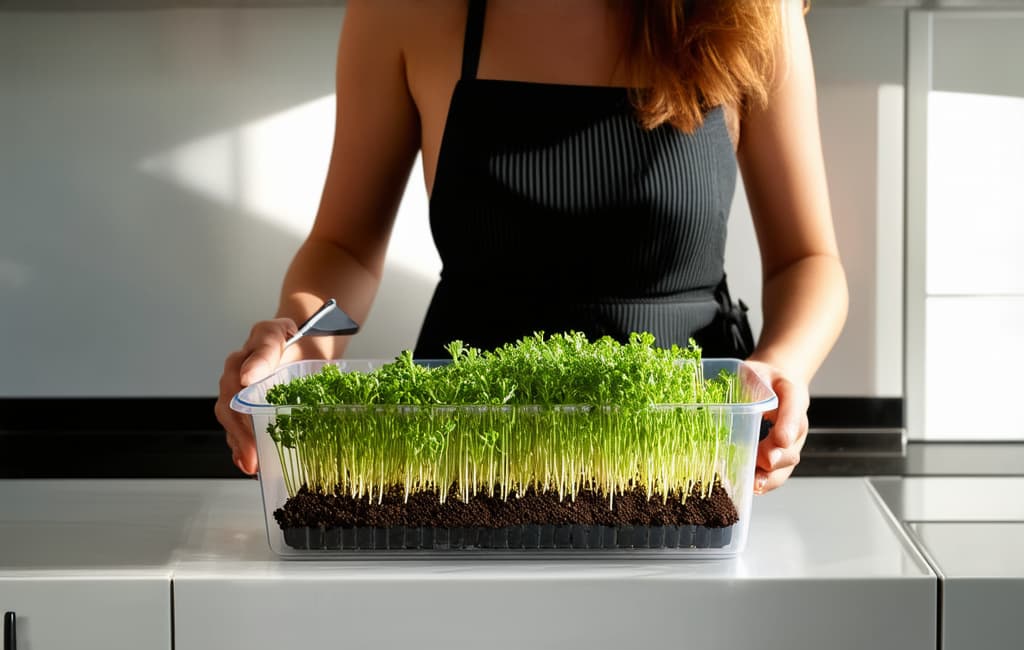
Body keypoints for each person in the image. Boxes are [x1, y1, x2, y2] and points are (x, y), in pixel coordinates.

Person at [215, 0, 848, 495]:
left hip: (691, 461)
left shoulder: (749, 12)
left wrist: (782, 365)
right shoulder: (402, 11)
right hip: (464, 462)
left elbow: (806, 259)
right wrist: (298, 344)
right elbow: (346, 247)